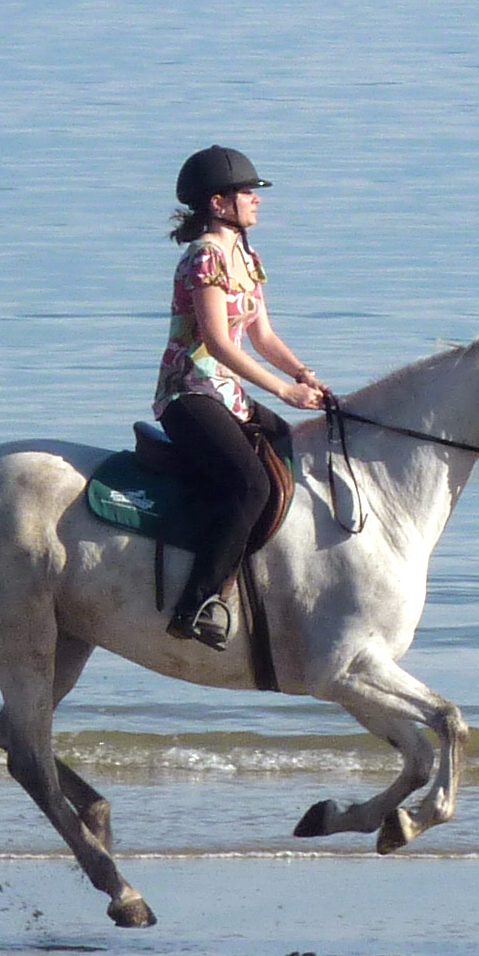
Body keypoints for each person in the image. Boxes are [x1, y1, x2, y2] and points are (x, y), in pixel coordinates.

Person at [157, 146, 330, 647]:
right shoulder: (205, 257)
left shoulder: (246, 256)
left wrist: (304, 374)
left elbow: (263, 336)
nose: (256, 201)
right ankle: (196, 604)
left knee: (292, 453)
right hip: (189, 393)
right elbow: (216, 342)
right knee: (251, 485)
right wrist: (282, 390)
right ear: (218, 203)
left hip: (227, 394)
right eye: (247, 193)